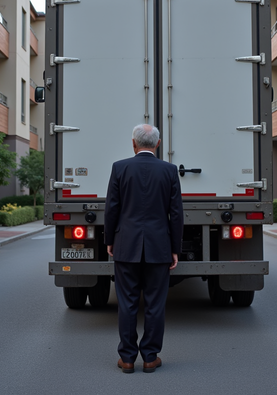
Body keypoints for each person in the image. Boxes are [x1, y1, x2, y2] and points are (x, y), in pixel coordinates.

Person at [104, 124, 184, 374]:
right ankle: (150, 357)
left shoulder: (120, 168)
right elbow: (176, 214)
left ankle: (127, 358)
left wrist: (110, 240)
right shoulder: (170, 171)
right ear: (158, 144)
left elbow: (112, 209)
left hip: (125, 245)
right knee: (155, 304)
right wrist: (175, 248)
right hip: (159, 247)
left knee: (127, 303)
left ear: (133, 143)